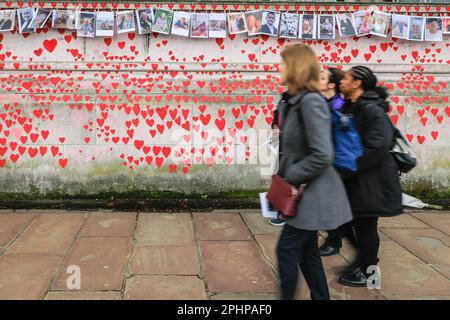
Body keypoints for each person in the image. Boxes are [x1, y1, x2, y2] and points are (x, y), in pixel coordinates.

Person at [275, 44, 353, 300]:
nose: (279, 67)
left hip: (313, 193)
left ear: (296, 67)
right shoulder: (292, 100)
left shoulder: (310, 102)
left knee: (287, 249)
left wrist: (290, 177)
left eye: (284, 63)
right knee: (307, 253)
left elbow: (322, 154)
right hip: (302, 191)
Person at [337, 66, 403, 287]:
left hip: (371, 182)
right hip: (358, 179)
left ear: (357, 83)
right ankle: (362, 263)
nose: (342, 81)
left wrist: (350, 166)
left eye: (346, 78)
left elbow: (378, 146)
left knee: (366, 228)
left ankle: (370, 275)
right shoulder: (352, 106)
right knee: (352, 224)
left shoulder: (372, 110)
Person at [317, 67, 359, 261]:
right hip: (329, 160)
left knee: (332, 204)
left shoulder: (338, 104)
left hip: (336, 163)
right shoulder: (327, 102)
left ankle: (336, 242)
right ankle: (342, 241)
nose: (318, 78)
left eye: (322, 77)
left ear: (331, 84)